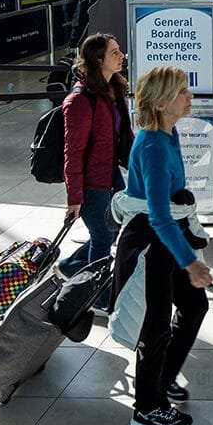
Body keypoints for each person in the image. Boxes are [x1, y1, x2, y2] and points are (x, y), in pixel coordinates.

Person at [114, 67, 213, 425]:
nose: (189, 97)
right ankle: (147, 409)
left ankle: (161, 381)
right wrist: (190, 263)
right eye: (182, 92)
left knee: (193, 306)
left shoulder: (167, 136)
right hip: (152, 245)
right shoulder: (154, 145)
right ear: (159, 102)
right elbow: (157, 216)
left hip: (165, 237)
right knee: (154, 327)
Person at [58, 34, 133, 313]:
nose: (121, 55)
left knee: (111, 233)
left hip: (110, 172)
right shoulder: (80, 100)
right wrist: (74, 197)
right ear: (98, 60)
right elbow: (72, 152)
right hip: (92, 181)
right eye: (115, 52)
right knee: (102, 237)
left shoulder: (112, 89)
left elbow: (123, 134)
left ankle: (69, 267)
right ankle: (96, 296)